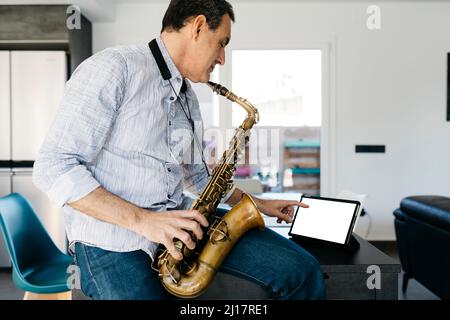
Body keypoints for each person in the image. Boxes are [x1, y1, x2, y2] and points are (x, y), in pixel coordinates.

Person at [32, 0, 325, 300]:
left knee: (302, 270)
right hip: (109, 242)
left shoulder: (187, 98)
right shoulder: (114, 68)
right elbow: (53, 167)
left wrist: (259, 203)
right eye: (221, 43)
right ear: (198, 27)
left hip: (178, 224)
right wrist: (145, 221)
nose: (222, 58)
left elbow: (199, 180)